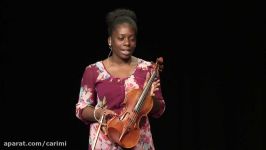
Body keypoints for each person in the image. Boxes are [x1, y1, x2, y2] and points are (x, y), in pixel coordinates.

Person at [75, 8, 166, 150]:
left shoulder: (148, 69)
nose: (127, 43)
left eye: (132, 38)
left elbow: (159, 109)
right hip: (104, 142)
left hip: (139, 141)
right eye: (121, 38)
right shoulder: (93, 71)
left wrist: (149, 99)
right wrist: (98, 113)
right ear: (110, 40)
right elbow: (81, 109)